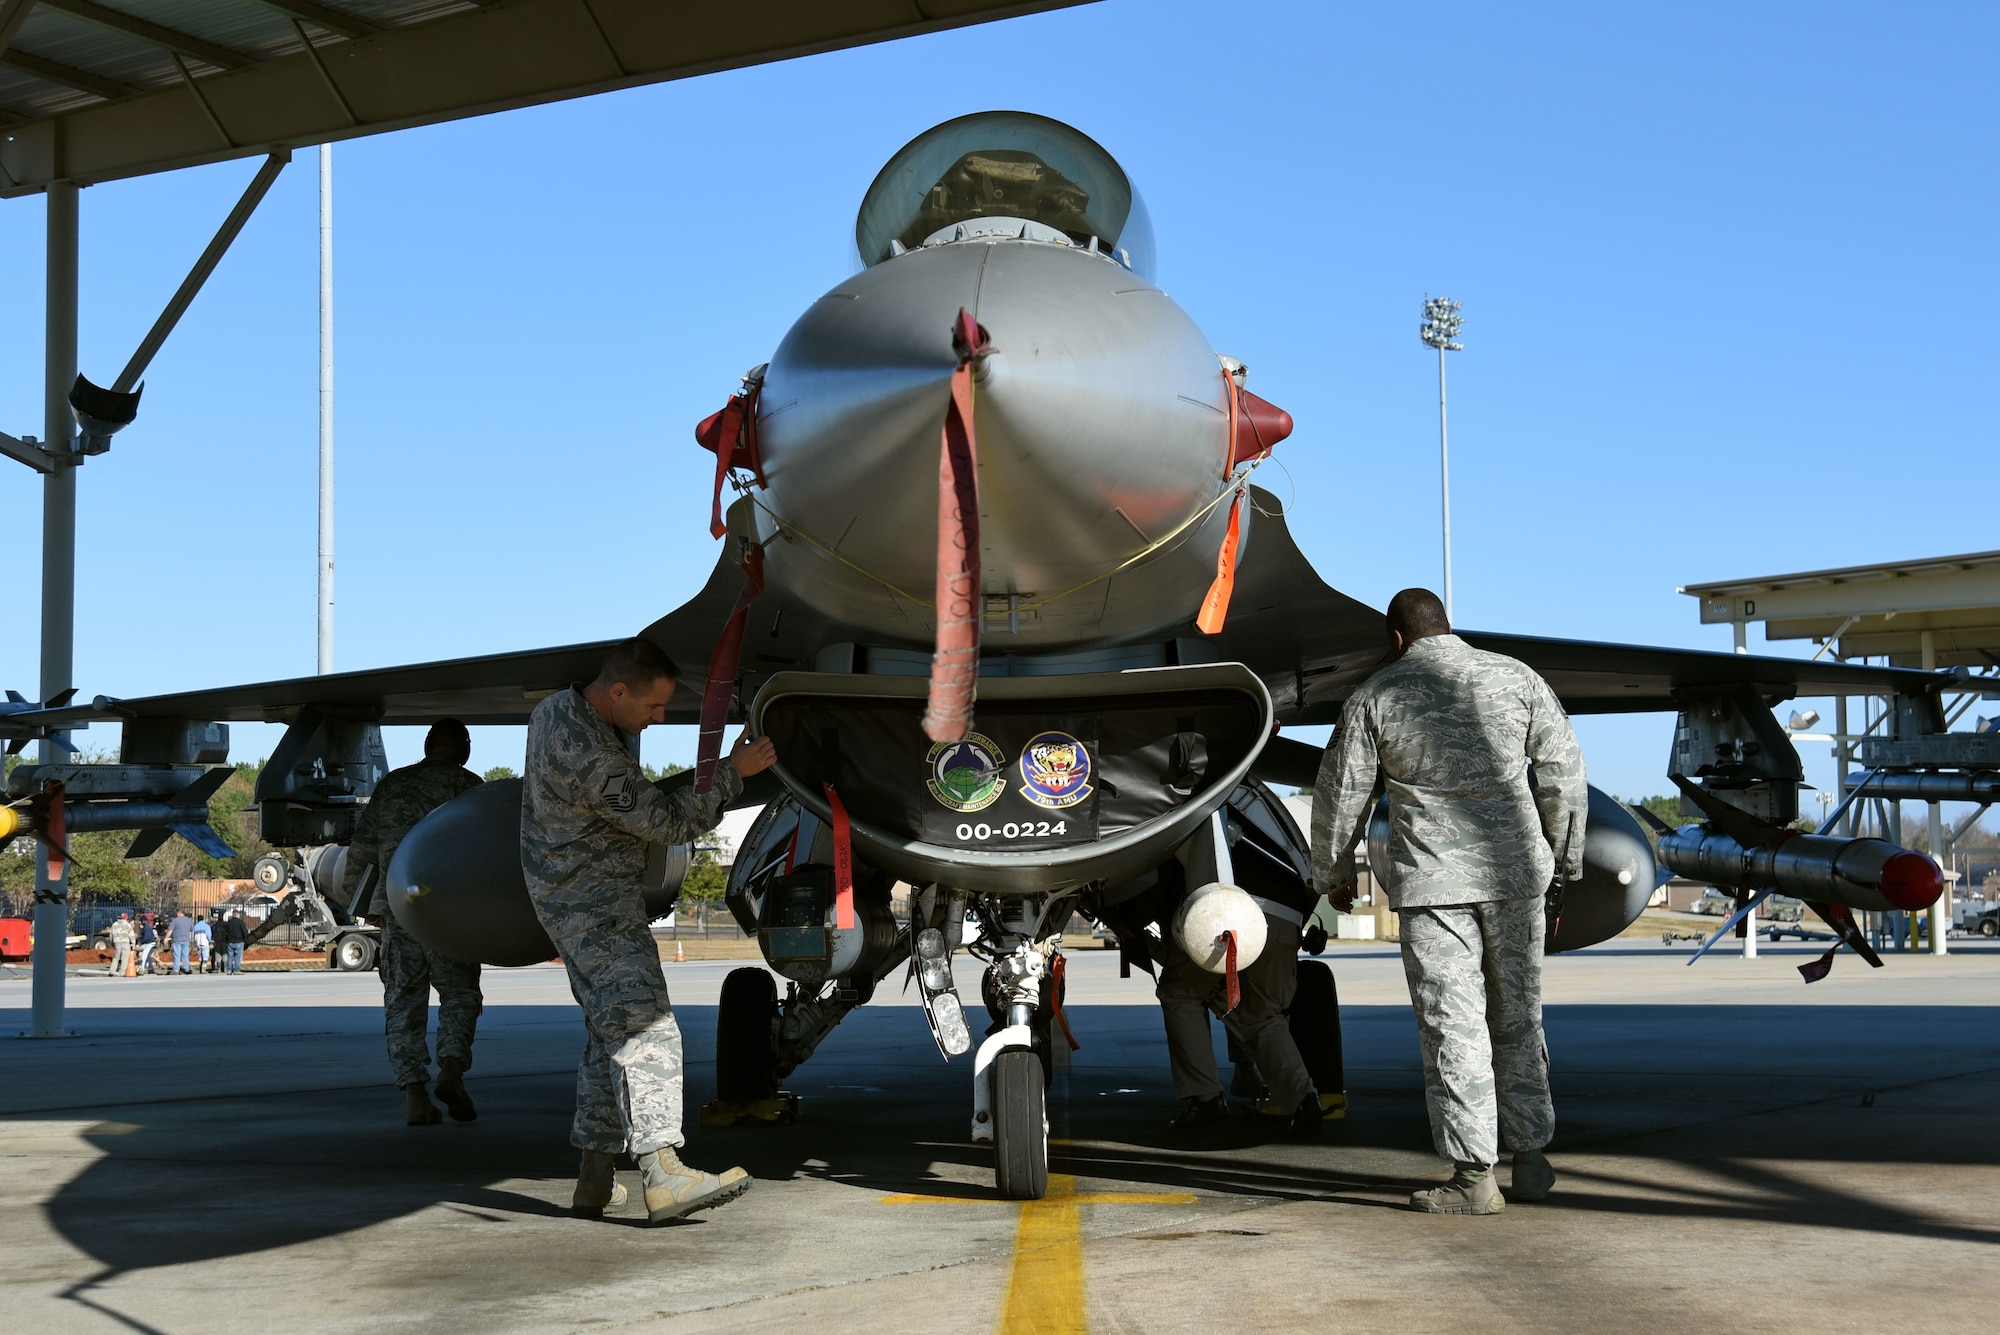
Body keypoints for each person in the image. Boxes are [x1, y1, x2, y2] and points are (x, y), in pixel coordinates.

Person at [1313, 588, 1586, 1216]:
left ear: (1398, 638)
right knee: (1519, 1015)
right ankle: (1534, 1158)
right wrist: (1566, 862)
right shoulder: (1517, 678)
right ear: (1448, 626)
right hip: (1516, 877)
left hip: (1434, 887)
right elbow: (1562, 775)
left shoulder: (1375, 695)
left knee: (1452, 1022)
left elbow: (1341, 794)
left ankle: (1473, 1178)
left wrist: (1330, 873)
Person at [522, 637, 776, 1225]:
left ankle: (595, 1177)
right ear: (616, 692)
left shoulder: (556, 709)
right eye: (653, 708)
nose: (659, 719)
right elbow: (664, 821)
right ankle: (664, 1173)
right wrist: (732, 777)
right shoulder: (591, 754)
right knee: (646, 1023)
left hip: (572, 897)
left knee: (607, 1034)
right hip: (594, 906)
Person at [347, 718, 485, 1127]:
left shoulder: (392, 786)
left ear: (427, 746)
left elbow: (361, 851)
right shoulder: (470, 787)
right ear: (463, 748)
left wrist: (365, 904)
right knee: (459, 995)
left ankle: (414, 1097)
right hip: (450, 917)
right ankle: (451, 1070)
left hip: (399, 912)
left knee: (403, 1005)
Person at [1156, 861, 1331, 1136]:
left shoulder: (1210, 827)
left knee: (1179, 994)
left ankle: (1205, 1098)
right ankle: (1303, 1101)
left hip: (1222, 914)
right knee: (1265, 1016)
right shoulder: (1275, 833)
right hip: (1284, 919)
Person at [108, 912, 135, 977]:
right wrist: (133, 943)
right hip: (125, 943)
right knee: (124, 958)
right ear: (126, 918)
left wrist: (112, 943)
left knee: (115, 958)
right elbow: (131, 935)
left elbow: (111, 935)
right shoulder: (127, 925)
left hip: (117, 943)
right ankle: (122, 972)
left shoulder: (114, 925)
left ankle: (112, 971)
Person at [169, 909, 193, 975]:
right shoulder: (188, 920)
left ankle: (176, 970)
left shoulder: (175, 920)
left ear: (179, 913)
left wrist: (166, 938)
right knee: (185, 955)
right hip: (185, 939)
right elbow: (191, 929)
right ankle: (186, 968)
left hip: (177, 939)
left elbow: (170, 930)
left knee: (177, 955)